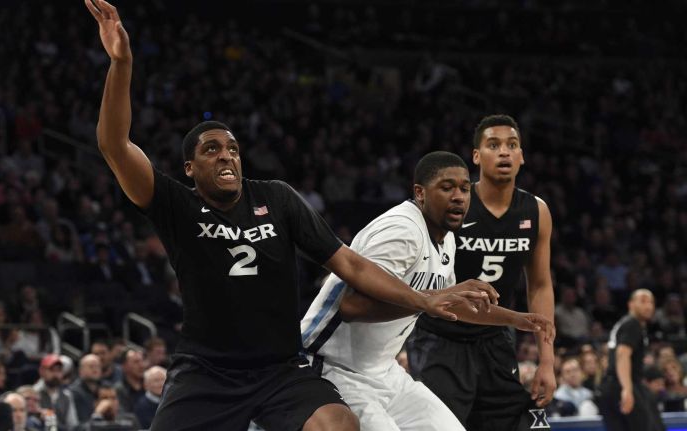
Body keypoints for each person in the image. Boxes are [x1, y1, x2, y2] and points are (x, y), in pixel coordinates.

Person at [84, 1, 494, 429]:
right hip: (206, 371)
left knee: (340, 425)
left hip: (281, 369)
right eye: (212, 149)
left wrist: (423, 300)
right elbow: (114, 145)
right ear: (190, 168)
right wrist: (122, 63)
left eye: (233, 149)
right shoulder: (176, 204)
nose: (226, 155)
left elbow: (350, 263)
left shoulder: (277, 198)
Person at [301, 152, 553, 430]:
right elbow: (352, 307)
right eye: (447, 188)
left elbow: (450, 305)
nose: (459, 197)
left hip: (384, 371)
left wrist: (515, 319)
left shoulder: (447, 240)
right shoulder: (401, 230)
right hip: (332, 367)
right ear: (420, 193)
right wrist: (427, 302)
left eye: (465, 189)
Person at [407, 115, 557, 430]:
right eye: (493, 145)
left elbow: (540, 286)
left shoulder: (536, 211)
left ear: (521, 157)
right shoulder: (453, 204)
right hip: (441, 336)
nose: (504, 152)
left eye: (512, 145)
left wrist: (547, 360)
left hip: (497, 339)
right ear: (476, 156)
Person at [598, 289, 665, 431]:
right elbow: (622, 355)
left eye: (651, 302)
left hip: (611, 386)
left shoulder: (626, 323)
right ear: (631, 304)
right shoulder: (632, 324)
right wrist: (627, 389)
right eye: (643, 301)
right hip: (622, 385)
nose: (648, 306)